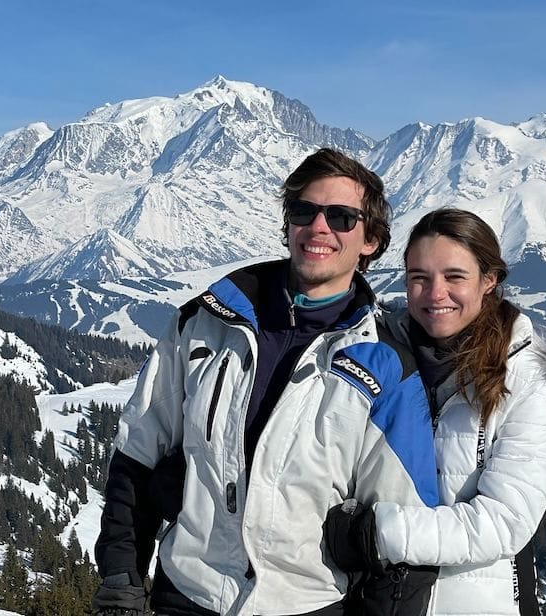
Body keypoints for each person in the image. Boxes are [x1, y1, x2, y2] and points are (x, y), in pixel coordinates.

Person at [92, 148, 439, 616]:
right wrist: (121, 581)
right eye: (304, 211)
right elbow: (137, 457)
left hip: (307, 602)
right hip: (188, 594)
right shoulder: (204, 324)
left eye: (341, 217)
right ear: (287, 223)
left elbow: (405, 529)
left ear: (371, 240)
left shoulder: (387, 366)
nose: (319, 228)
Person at [326, 208, 546, 615]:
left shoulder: (527, 381)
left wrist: (374, 533)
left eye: (454, 277)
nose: (435, 293)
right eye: (419, 278)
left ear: (489, 281)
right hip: (379, 601)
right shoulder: (381, 361)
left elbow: (503, 522)